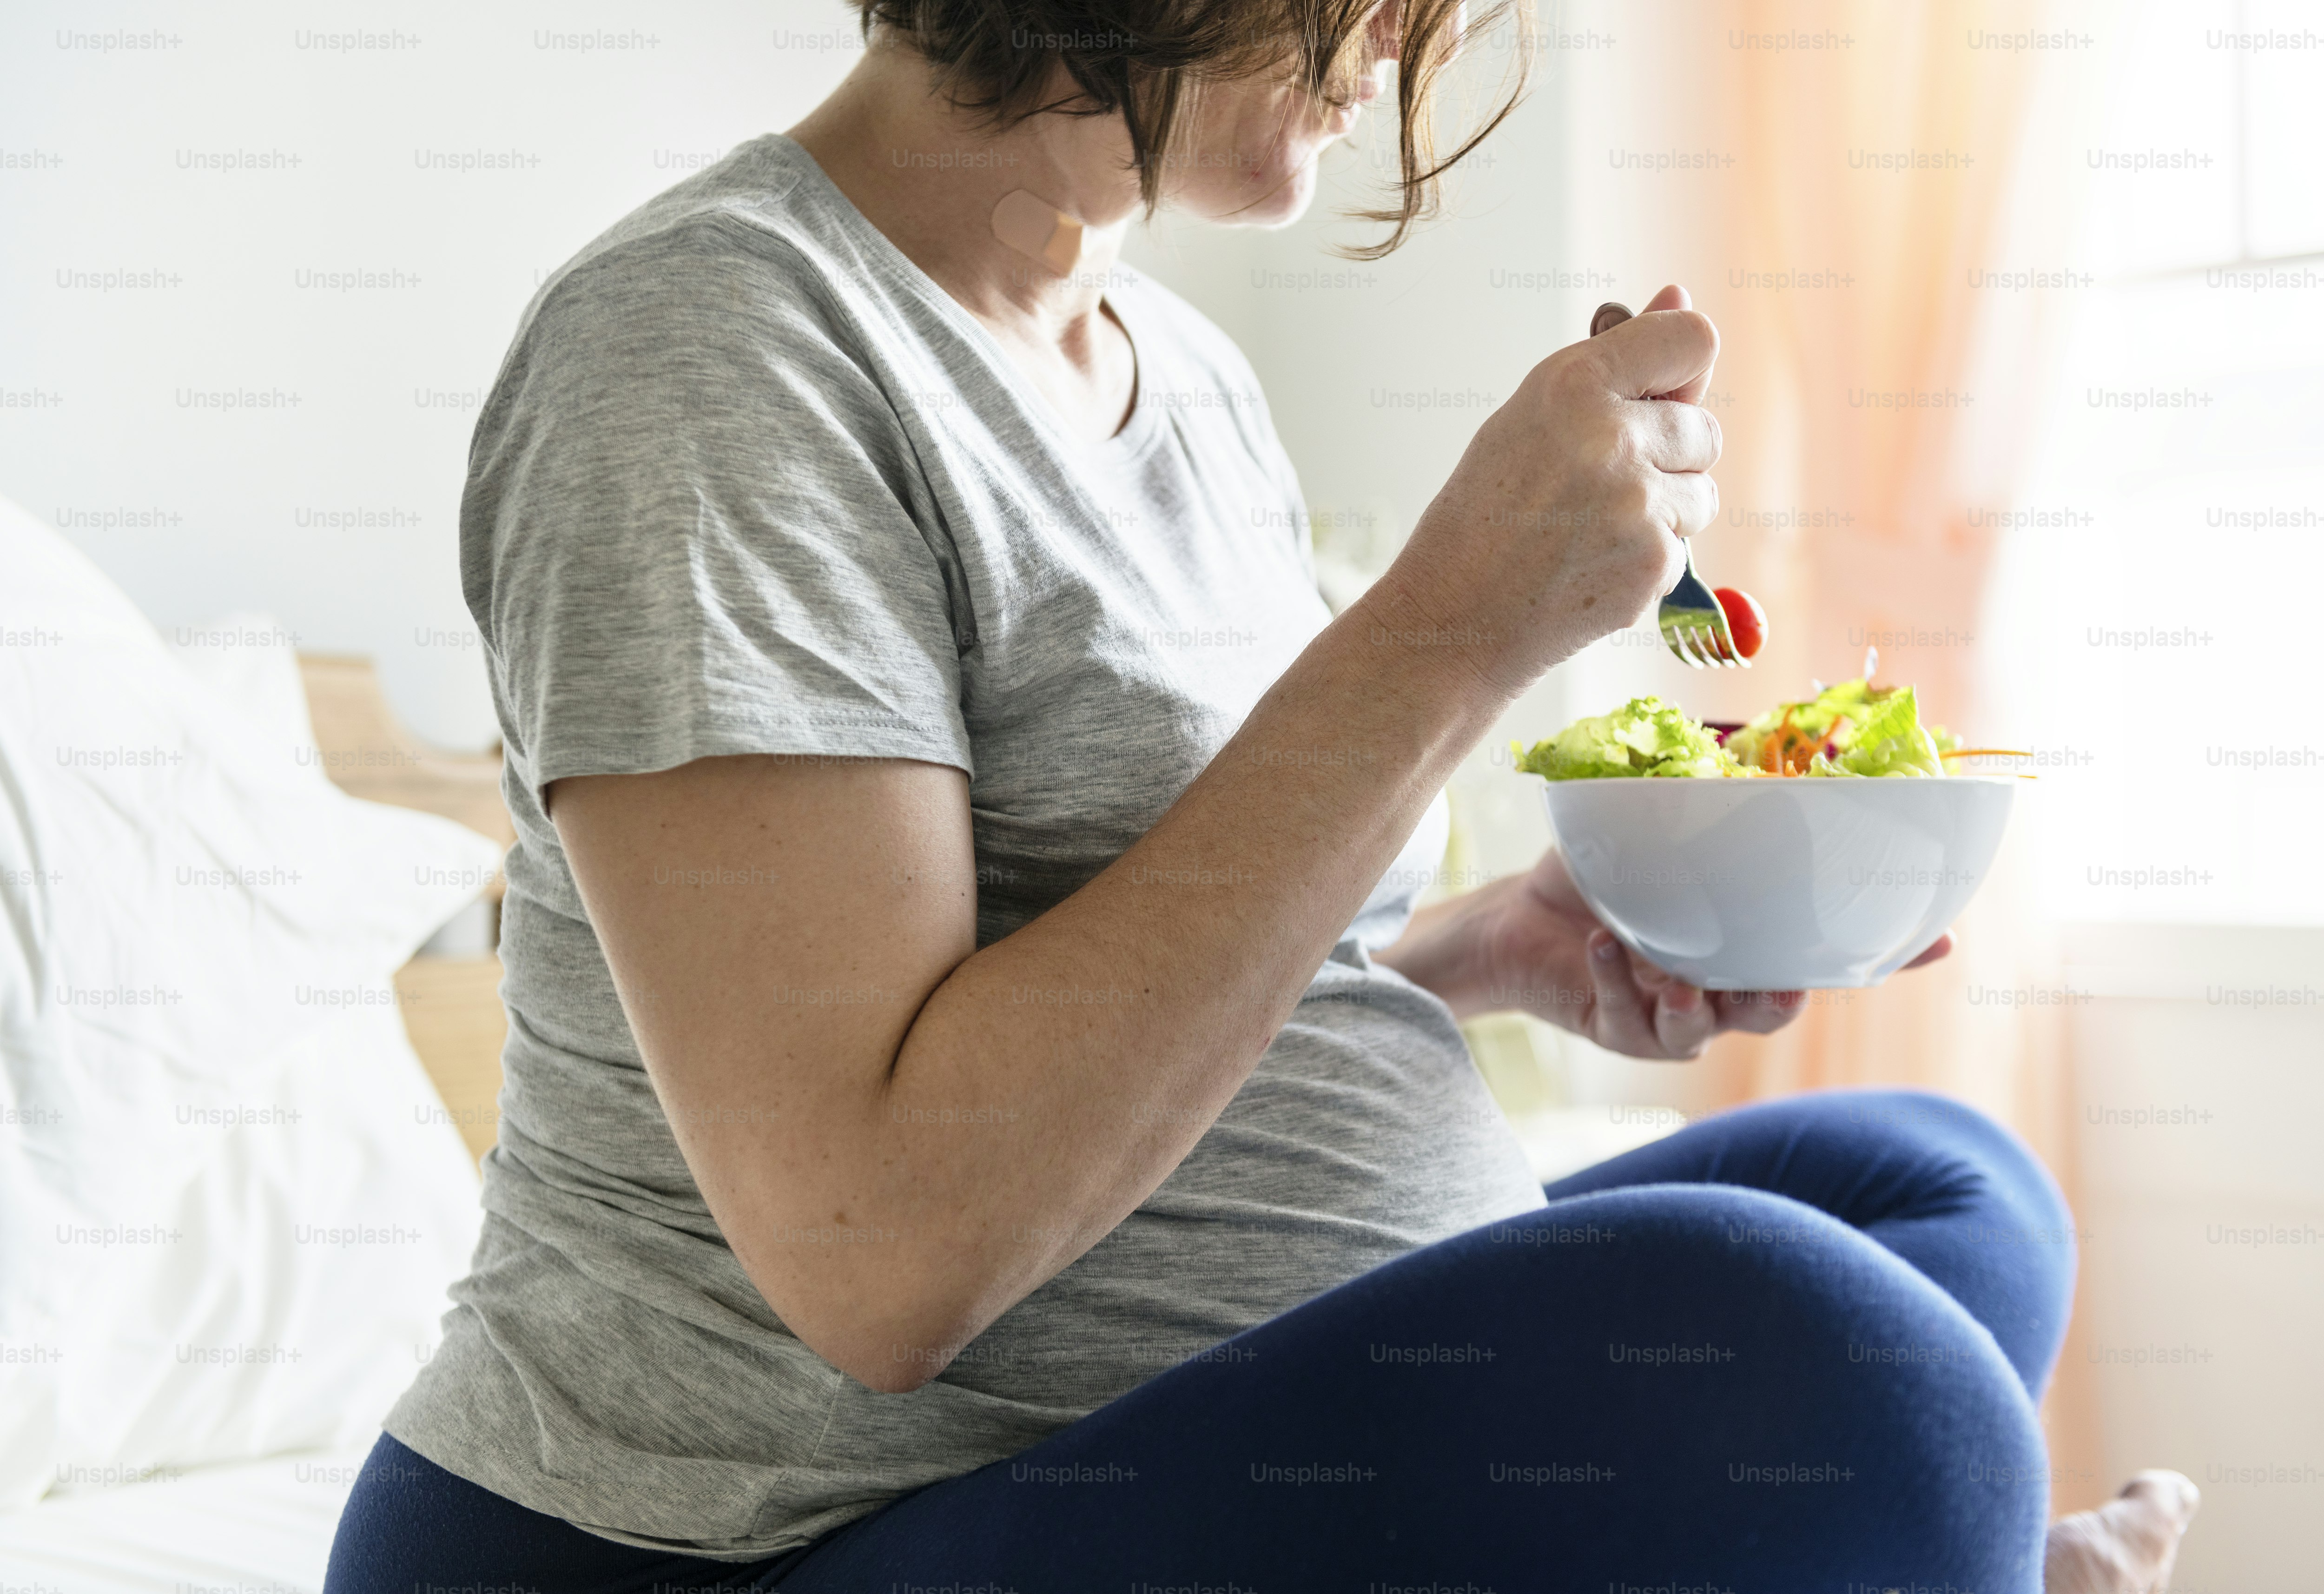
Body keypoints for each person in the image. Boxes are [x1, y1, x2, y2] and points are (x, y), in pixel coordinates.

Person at [326, 2, 2199, 1588]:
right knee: (1873, 1392)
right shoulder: (711, 354)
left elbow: (1126, 922)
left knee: (1940, 1194)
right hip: (776, 1527)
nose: (1405, 41)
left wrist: (1467, 953)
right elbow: (875, 1250)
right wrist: (1442, 637)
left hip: (1164, 1420)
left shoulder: (1184, 377)